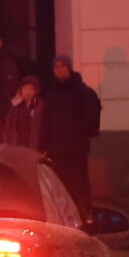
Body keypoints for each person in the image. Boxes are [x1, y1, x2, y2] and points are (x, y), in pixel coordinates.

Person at [41, 56, 102, 218]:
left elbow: (90, 115)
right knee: (61, 180)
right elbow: (46, 118)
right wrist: (45, 142)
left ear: (69, 68)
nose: (59, 70)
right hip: (57, 145)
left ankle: (84, 212)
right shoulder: (52, 92)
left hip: (77, 145)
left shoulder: (82, 91)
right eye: (56, 67)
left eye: (62, 66)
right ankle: (66, 213)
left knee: (79, 178)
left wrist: (74, 130)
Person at [0, 74, 46, 151]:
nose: (28, 92)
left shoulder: (40, 107)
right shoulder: (16, 107)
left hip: (34, 145)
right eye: (25, 88)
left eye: (31, 89)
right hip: (18, 145)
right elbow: (8, 126)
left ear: (36, 90)